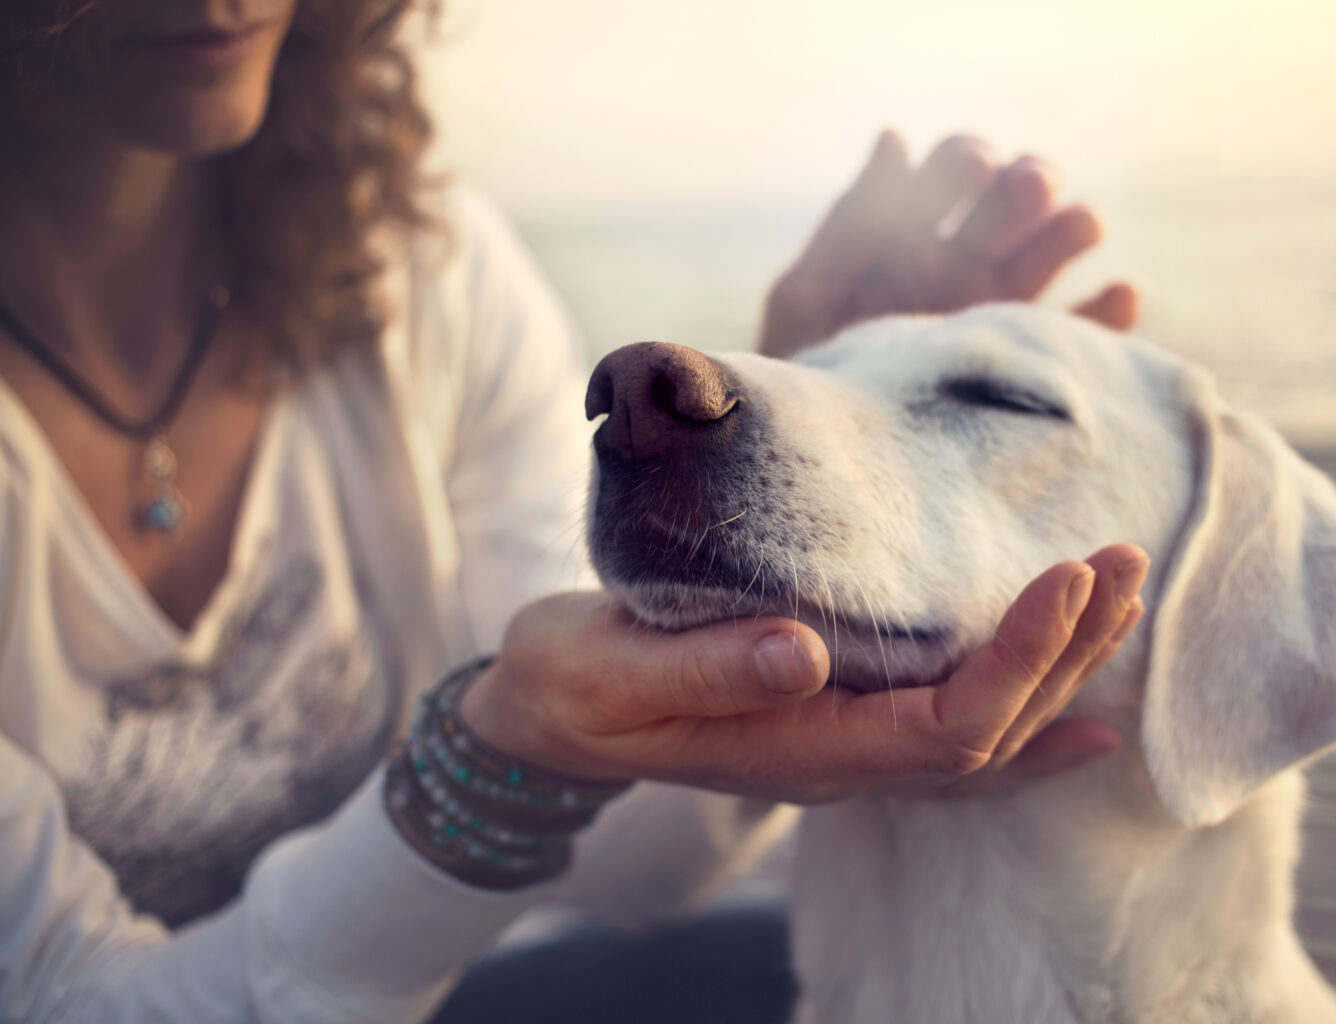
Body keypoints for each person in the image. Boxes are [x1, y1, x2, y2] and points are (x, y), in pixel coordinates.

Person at [0, 2, 1149, 1022]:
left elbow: (626, 868)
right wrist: (496, 749)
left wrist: (786, 477)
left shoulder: (410, 269)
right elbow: (65, 998)